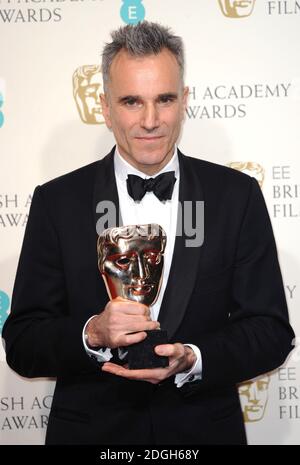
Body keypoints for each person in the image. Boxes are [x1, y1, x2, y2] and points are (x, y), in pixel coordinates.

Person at [2, 21, 294, 445]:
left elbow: (270, 331)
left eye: (165, 99)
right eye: (131, 101)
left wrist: (193, 358)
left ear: (185, 101)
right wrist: (92, 334)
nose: (151, 120)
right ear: (105, 107)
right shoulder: (58, 202)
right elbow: (23, 342)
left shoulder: (236, 196)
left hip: (203, 434)